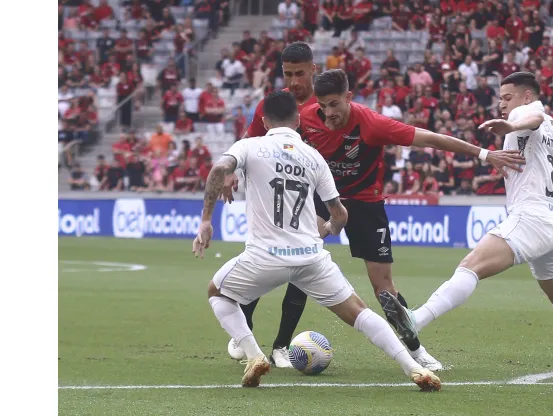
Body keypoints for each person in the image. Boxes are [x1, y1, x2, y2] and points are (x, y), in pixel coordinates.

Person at [252, 68, 524, 371]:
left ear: (349, 98)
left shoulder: (370, 123)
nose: (328, 113)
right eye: (323, 105)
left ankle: (416, 351)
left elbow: (431, 139)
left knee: (383, 288)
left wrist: (484, 155)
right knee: (302, 259)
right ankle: (272, 343)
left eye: (335, 105)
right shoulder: (306, 118)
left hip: (366, 204)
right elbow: (268, 131)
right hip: (323, 199)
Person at [192, 91, 441, 391]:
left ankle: (254, 354)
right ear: (298, 121)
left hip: (265, 257)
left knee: (217, 293)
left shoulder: (249, 145)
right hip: (310, 257)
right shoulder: (314, 157)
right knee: (360, 313)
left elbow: (219, 169)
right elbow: (340, 214)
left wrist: (206, 220)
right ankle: (413, 366)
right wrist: (330, 227)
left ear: (264, 120)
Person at [380, 72, 553, 373]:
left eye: (507, 97)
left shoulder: (525, 114)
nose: (502, 104)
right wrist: (543, 127)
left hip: (531, 216)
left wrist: (513, 124)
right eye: (500, 99)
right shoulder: (552, 125)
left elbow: (533, 118)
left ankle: (417, 319)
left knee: (470, 265)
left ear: (527, 96)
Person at [221, 42, 321, 369]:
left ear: (312, 69)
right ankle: (243, 332)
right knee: (264, 262)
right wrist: (230, 172)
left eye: (300, 73)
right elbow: (250, 143)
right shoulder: (273, 105)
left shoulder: (325, 105)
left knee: (303, 266)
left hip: (312, 195)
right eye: (288, 74)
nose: (293, 81)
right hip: (274, 195)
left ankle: (281, 346)